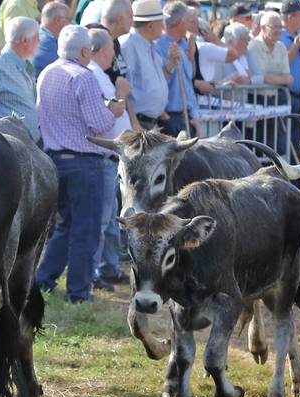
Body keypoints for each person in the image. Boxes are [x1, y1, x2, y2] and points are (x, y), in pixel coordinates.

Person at [34, 24, 122, 304]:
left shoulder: (47, 72)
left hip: (55, 159)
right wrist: (114, 110)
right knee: (85, 229)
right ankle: (78, 292)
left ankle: (44, 280)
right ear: (85, 51)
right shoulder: (84, 77)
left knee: (67, 225)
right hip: (85, 162)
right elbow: (100, 124)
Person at [87, 24, 128, 288]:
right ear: (103, 50)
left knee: (111, 216)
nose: (114, 55)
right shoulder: (92, 74)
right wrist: (122, 94)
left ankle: (109, 266)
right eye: (113, 49)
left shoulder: (99, 74)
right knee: (101, 219)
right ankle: (93, 273)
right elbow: (107, 113)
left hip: (111, 157)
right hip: (102, 156)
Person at [0, 15, 39, 140]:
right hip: (14, 145)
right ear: (25, 41)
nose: (39, 42)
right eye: (37, 38)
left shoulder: (22, 64)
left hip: (29, 144)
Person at [119, 0, 166, 128]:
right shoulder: (127, 46)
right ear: (150, 26)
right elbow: (124, 90)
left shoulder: (152, 46)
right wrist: (134, 123)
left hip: (150, 123)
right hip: (138, 124)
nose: (163, 26)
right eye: (161, 22)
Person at [155, 1, 194, 136]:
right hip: (169, 117)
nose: (190, 26)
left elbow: (188, 83)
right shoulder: (158, 46)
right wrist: (163, 114)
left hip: (185, 115)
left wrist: (193, 115)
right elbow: (156, 82)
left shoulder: (184, 45)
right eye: (188, 21)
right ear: (180, 22)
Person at [248, 10, 292, 88]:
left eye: (280, 27)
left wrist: (267, 78)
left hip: (277, 96)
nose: (278, 31)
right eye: (274, 27)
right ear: (263, 28)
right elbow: (259, 77)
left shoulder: (281, 48)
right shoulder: (253, 46)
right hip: (257, 97)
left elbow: (289, 79)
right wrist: (281, 79)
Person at [34, 2, 71, 76]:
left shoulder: (37, 34)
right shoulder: (49, 43)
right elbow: (70, 69)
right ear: (57, 20)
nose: (71, 23)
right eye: (69, 19)